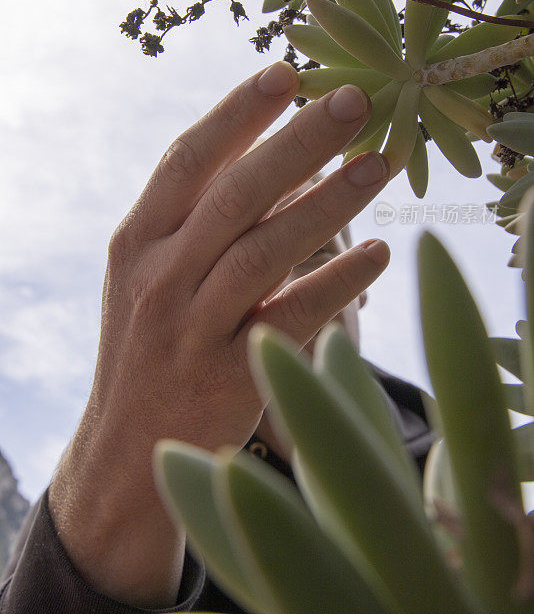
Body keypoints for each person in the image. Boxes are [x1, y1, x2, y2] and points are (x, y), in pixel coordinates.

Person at [0, 61, 435, 613]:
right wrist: (111, 510)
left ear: (361, 288)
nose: (281, 291)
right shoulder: (87, 504)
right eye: (235, 264)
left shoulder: (438, 423)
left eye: (315, 253)